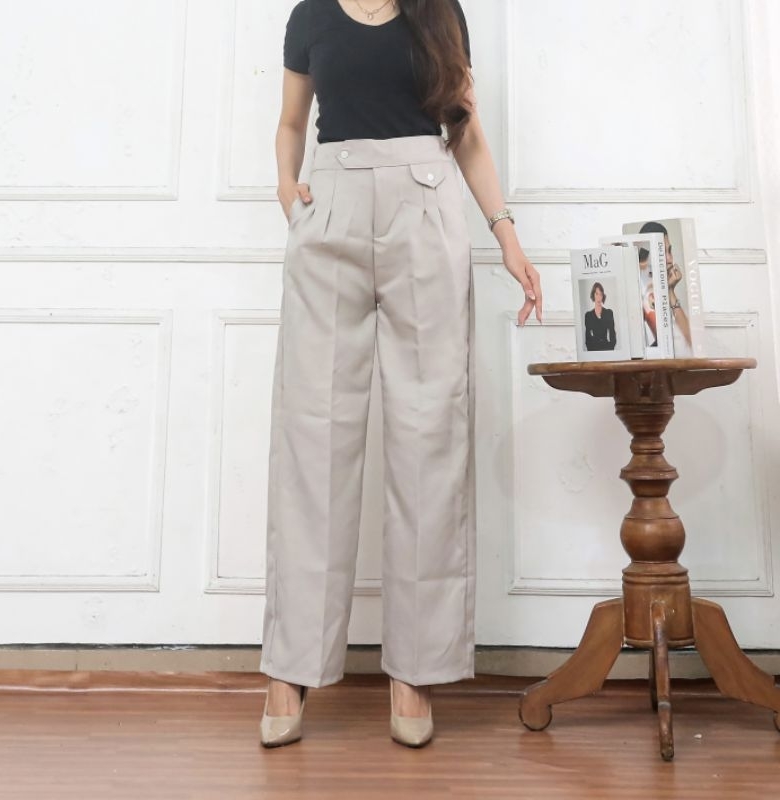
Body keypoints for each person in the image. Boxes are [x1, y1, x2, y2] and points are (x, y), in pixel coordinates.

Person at [259, 0, 542, 749]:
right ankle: (290, 667)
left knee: (428, 433)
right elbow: (291, 121)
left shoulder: (438, 11)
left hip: (425, 206)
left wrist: (506, 235)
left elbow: (466, 132)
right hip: (332, 208)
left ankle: (415, 670)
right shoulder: (311, 15)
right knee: (313, 435)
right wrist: (288, 188)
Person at [638, 221, 692, 356]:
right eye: (662, 252)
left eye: (670, 251)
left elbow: (691, 341)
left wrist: (670, 291)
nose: (669, 259)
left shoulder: (663, 291)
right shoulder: (640, 292)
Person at [584, 282, 616, 351]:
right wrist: (592, 351)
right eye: (596, 294)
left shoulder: (609, 313)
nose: (599, 297)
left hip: (607, 349)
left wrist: (610, 349)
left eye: (601, 294)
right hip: (594, 350)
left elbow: (612, 335)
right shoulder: (588, 315)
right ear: (593, 295)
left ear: (603, 296)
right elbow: (587, 338)